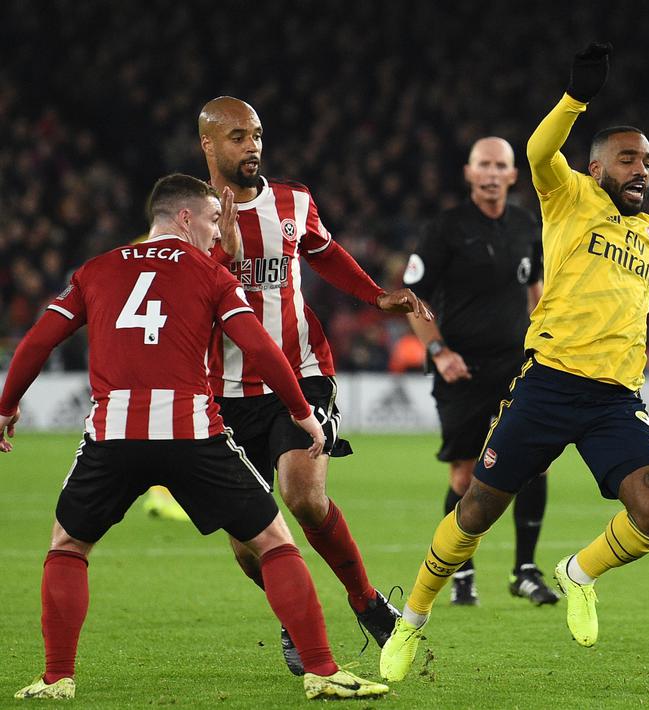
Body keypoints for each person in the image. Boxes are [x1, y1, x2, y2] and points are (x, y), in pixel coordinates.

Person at [379, 43, 649, 681]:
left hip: (615, 398)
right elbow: (537, 153)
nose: (641, 170)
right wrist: (575, 98)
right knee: (475, 510)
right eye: (629, 158)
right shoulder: (568, 196)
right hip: (548, 384)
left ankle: (578, 572)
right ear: (598, 166)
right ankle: (411, 619)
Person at [1, 174, 388, 700]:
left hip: (114, 436)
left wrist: (6, 405)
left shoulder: (95, 270)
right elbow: (260, 347)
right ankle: (322, 671)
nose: (219, 233)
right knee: (274, 542)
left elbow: (39, 340)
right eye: (212, 220)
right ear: (185, 218)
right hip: (192, 434)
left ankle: (55, 679)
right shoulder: (211, 274)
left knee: (67, 547)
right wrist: (301, 410)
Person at [197, 96, 431, 674]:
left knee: (303, 495)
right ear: (207, 144)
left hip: (301, 372)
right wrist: (221, 256)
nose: (252, 146)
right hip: (223, 390)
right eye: (236, 137)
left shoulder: (293, 201)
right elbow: (185, 298)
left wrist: (376, 295)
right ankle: (293, 621)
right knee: (249, 544)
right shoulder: (189, 214)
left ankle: (365, 602)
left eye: (256, 134)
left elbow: (324, 254)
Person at [402, 136, 558, 607]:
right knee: (466, 474)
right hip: (461, 369)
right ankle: (462, 571)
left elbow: (537, 292)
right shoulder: (446, 229)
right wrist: (438, 351)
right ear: (469, 173)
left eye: (501, 166)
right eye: (483, 165)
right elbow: (413, 297)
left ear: (513, 175)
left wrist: (547, 343)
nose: (492, 173)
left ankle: (525, 571)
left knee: (534, 462)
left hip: (517, 365)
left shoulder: (528, 224)